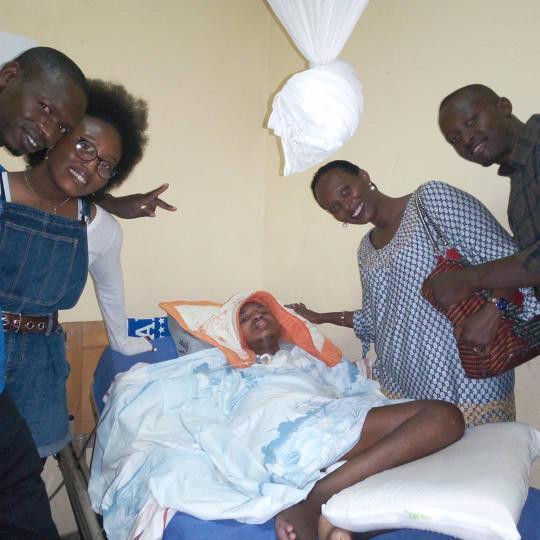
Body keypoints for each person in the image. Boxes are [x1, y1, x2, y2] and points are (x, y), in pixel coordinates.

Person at [288, 160, 540, 428]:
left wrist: (493, 310)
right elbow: (377, 320)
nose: (345, 207)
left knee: (479, 462)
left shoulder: (430, 201)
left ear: (363, 176)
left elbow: (513, 262)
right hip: (402, 386)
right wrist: (318, 317)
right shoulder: (365, 250)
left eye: (345, 191)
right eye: (334, 208)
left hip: (464, 377)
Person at [1, 77, 155, 462]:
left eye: (106, 164)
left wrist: (122, 343)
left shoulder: (101, 228)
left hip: (41, 360)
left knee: (22, 472)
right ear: (57, 135)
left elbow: (110, 291)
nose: (91, 164)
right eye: (85, 145)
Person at [240, 299, 465, 540]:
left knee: (433, 439)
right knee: (443, 417)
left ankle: (344, 531)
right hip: (287, 434)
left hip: (329, 419)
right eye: (245, 317)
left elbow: (353, 387)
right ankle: (315, 500)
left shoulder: (309, 355)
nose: (257, 316)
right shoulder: (226, 367)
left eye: (263, 311)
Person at [0, 45, 85, 540]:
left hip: (35, 359)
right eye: (46, 109)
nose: (48, 129)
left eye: (59, 125)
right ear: (10, 76)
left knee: (23, 495)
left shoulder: (93, 221)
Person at [425, 84, 540, 309]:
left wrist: (471, 278)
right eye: (455, 139)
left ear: (504, 107)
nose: (466, 139)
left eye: (470, 122)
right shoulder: (517, 195)